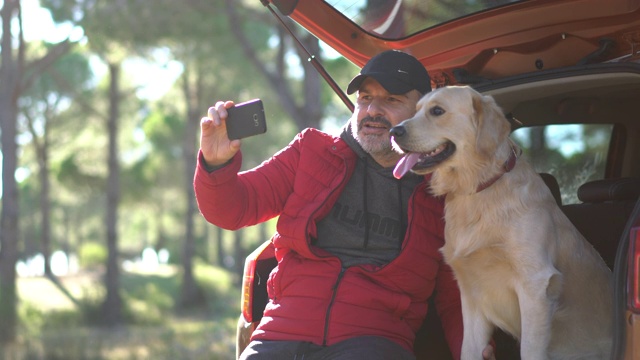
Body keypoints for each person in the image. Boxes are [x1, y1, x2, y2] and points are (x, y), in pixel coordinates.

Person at [194, 50, 496, 360]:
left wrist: (472, 348)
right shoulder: (311, 150)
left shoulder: (445, 193)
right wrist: (216, 163)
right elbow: (232, 209)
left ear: (421, 111)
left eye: (391, 100)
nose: (372, 111)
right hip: (280, 333)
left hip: (374, 342)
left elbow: (454, 296)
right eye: (365, 98)